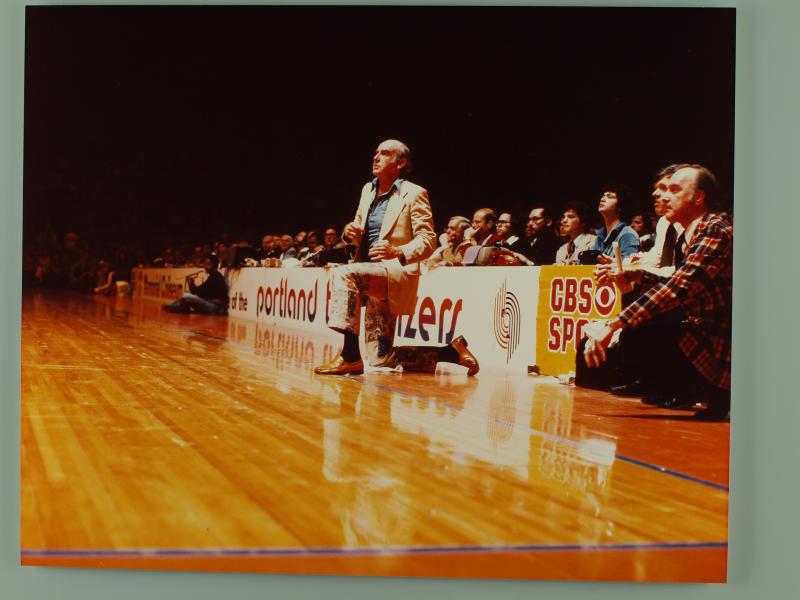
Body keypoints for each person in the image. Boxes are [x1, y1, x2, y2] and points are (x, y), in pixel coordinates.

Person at [313, 139, 479, 376]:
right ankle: (451, 351)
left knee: (343, 274)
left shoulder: (415, 193)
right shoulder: (367, 190)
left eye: (385, 153)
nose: (376, 157)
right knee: (380, 358)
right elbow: (359, 233)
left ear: (401, 162)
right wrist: (350, 233)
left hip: (395, 272)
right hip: (370, 273)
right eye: (375, 152)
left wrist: (398, 251)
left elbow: (427, 240)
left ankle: (349, 356)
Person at [582, 164, 732, 420]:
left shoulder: (714, 229)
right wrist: (636, 275)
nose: (664, 196)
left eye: (674, 190)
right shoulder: (694, 229)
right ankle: (705, 390)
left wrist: (613, 325)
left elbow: (678, 287)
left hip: (721, 335)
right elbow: (679, 280)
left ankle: (715, 390)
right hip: (706, 325)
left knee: (638, 336)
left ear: (698, 197)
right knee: (640, 335)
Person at [162, 254, 228, 315]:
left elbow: (199, 292)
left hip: (215, 307)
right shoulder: (214, 275)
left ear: (215, 266)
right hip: (212, 304)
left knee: (187, 296)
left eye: (208, 264)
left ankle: (173, 307)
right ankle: (173, 306)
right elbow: (201, 291)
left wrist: (192, 285)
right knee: (187, 295)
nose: (205, 266)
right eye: (205, 264)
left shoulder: (215, 276)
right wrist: (193, 286)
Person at [591, 184, 640, 260]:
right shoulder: (599, 237)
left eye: (609, 197)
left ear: (620, 206)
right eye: (603, 196)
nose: (602, 199)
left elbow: (628, 268)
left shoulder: (628, 235)